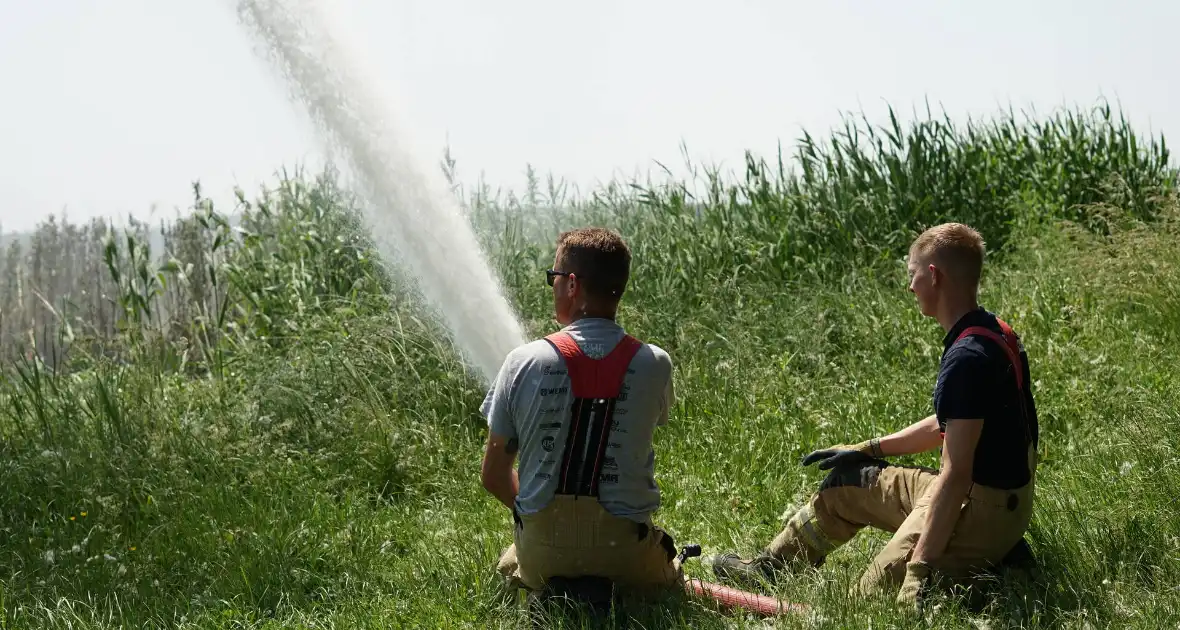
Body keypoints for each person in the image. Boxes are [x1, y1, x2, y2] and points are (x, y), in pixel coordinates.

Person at [709, 222, 1040, 609]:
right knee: (847, 484)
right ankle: (774, 568)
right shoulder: (993, 332)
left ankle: (987, 569)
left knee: (864, 605)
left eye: (912, 274)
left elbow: (956, 475)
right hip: (987, 501)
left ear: (933, 276)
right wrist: (865, 449)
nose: (910, 286)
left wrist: (919, 570)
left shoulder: (967, 358)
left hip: (978, 508)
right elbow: (949, 424)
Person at [480, 226, 681, 596]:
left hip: (542, 558)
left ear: (572, 284)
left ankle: (547, 596)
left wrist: (539, 519)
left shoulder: (521, 362)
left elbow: (493, 476)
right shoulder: (655, 363)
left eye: (553, 278)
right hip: (625, 557)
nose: (552, 286)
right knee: (667, 571)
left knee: (510, 563)